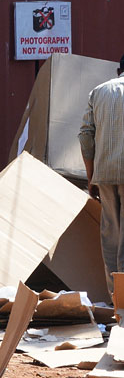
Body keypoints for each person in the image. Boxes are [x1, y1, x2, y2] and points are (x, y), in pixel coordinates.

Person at [79, 54, 124, 296]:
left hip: (105, 174)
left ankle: (116, 301)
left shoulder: (99, 91)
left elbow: (85, 136)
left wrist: (90, 177)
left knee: (111, 236)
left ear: (119, 70)